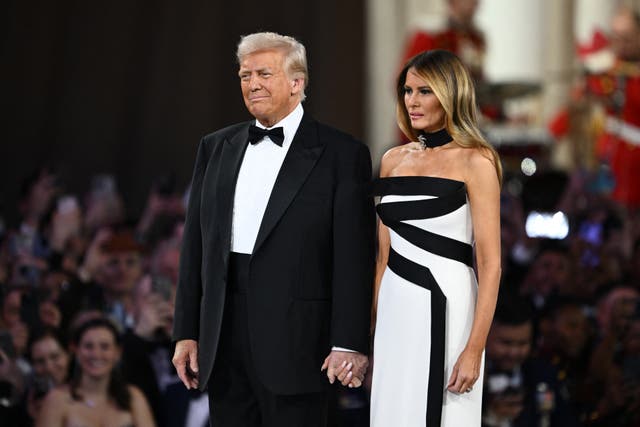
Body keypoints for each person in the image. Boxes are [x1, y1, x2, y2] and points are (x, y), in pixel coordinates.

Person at [171, 32, 375, 427]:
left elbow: (353, 256)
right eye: (245, 75)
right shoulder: (215, 146)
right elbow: (195, 248)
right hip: (223, 338)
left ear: (297, 83)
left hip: (299, 344)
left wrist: (349, 342)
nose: (252, 84)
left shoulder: (342, 154)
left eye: (264, 73)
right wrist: (186, 331)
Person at [370, 49, 502, 426]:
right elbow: (382, 256)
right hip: (396, 310)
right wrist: (372, 331)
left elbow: (490, 264)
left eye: (425, 91)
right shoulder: (392, 160)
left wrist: (475, 348)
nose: (412, 100)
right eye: (408, 90)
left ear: (451, 94)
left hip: (450, 309)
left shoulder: (477, 161)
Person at [36, 316, 155, 427]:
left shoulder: (133, 397)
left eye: (105, 347)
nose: (96, 354)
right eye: (88, 346)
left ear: (117, 353)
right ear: (76, 351)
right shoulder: (56, 400)